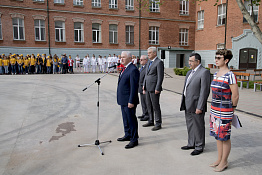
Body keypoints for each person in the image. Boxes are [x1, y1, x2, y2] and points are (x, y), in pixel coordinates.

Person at [209, 49, 239, 172]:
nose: (216, 59)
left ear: (226, 60)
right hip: (214, 109)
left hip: (225, 111)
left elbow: (235, 95)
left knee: (224, 137)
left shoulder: (230, 75)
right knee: (217, 135)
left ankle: (224, 161)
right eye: (216, 57)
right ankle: (219, 159)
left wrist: (232, 110)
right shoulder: (216, 73)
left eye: (219, 58)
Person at [180, 53, 211, 156]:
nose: (189, 63)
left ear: (198, 62)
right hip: (187, 102)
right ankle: (191, 143)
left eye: (191, 61)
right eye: (189, 61)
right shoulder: (189, 72)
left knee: (198, 126)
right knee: (190, 124)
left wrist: (200, 106)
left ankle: (199, 146)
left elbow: (204, 91)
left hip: (197, 104)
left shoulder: (204, 72)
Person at [117, 51, 140, 149]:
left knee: (131, 120)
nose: (121, 59)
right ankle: (127, 134)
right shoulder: (125, 68)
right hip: (123, 99)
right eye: (121, 57)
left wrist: (131, 101)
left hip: (129, 101)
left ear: (130, 59)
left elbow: (134, 88)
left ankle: (134, 139)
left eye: (123, 57)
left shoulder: (133, 69)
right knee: (125, 119)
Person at [142, 47, 164, 131]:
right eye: (148, 53)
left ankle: (158, 123)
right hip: (147, 87)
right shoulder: (149, 62)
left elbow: (160, 77)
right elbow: (146, 75)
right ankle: (151, 120)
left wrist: (158, 87)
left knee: (155, 106)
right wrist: (144, 84)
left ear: (155, 53)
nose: (148, 54)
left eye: (150, 53)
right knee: (149, 105)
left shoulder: (159, 62)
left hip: (154, 88)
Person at [138, 55, 149, 121]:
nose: (140, 61)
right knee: (142, 102)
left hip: (144, 87)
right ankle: (144, 113)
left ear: (146, 60)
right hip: (140, 87)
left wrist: (144, 86)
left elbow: (146, 78)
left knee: (146, 102)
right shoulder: (142, 67)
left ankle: (147, 114)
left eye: (142, 59)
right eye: (140, 59)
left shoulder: (147, 67)